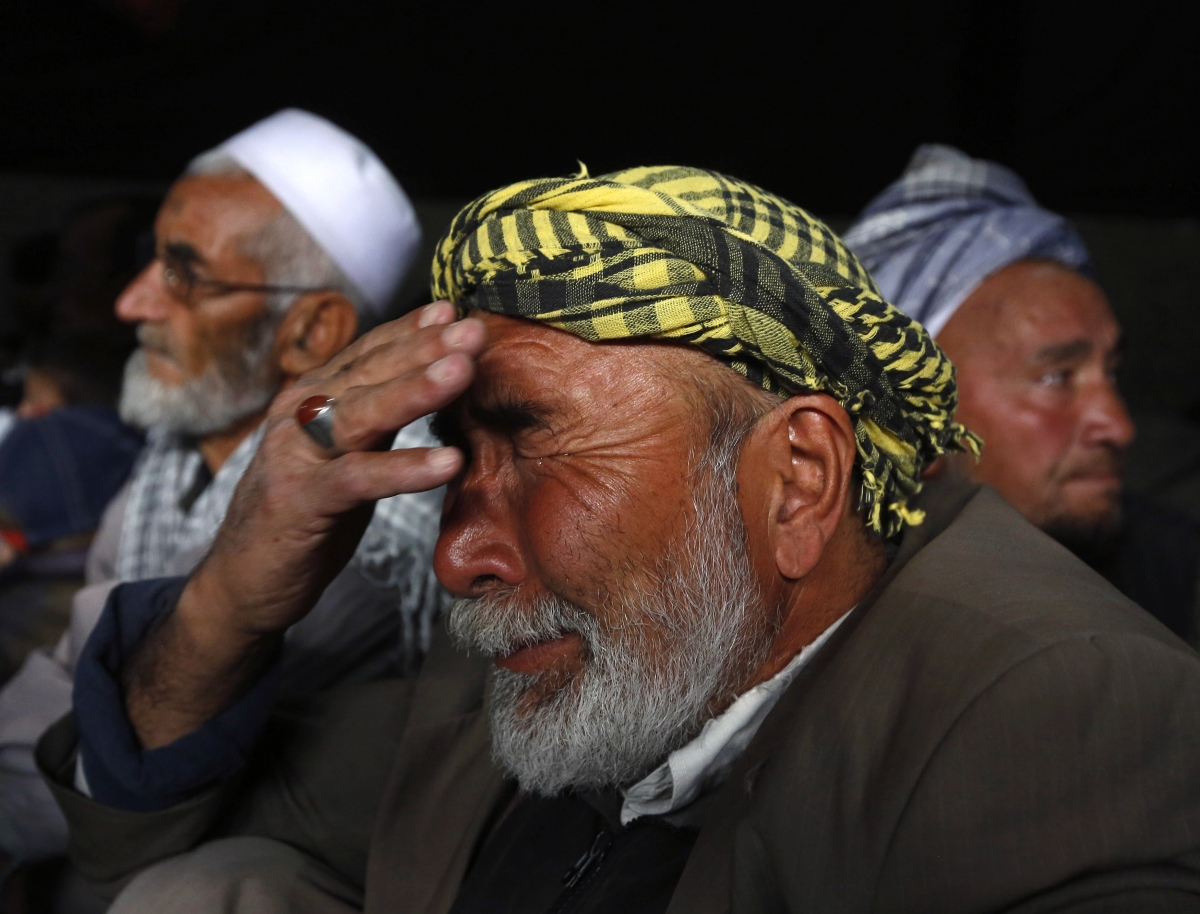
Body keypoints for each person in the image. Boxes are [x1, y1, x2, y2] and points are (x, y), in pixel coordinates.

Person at [38, 166, 1200, 913]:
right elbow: (124, 854)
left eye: (535, 444)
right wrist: (235, 594)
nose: (458, 555)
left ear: (798, 479)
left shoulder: (1061, 722)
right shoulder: (540, 668)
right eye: (462, 456)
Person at [0, 109, 442, 868]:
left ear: (310, 334)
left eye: (183, 273)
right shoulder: (175, 459)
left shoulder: (368, 516)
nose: (132, 303)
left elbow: (141, 792)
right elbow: (64, 696)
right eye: (148, 260)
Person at [844, 144, 1200, 643]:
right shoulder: (821, 629)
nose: (1120, 426)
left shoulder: (1172, 578)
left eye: (1112, 373)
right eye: (1056, 378)